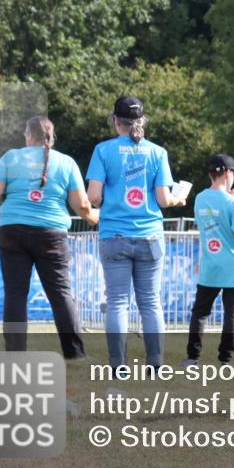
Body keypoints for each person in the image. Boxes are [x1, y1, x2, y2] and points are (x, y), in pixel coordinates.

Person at [86, 96, 186, 373]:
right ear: (141, 121)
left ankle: (119, 365)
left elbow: (94, 197)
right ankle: (155, 363)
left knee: (118, 302)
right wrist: (178, 201)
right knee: (150, 302)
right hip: (150, 236)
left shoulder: (103, 151)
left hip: (114, 235)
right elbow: (164, 200)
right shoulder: (158, 152)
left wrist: (110, 199)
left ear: (115, 120)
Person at [0, 117, 98, 358]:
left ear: (28, 135)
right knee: (60, 293)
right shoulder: (66, 162)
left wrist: (8, 199)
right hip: (51, 234)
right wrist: (95, 219)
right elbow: (82, 206)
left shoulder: (11, 157)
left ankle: (16, 354)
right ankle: (75, 353)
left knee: (15, 293)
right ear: (51, 136)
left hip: (12, 230)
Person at [182, 154, 234, 367]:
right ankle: (225, 360)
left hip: (210, 264)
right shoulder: (233, 203)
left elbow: (207, 228)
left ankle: (192, 357)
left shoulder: (199, 198)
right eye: (233, 173)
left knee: (199, 313)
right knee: (230, 316)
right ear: (227, 173)